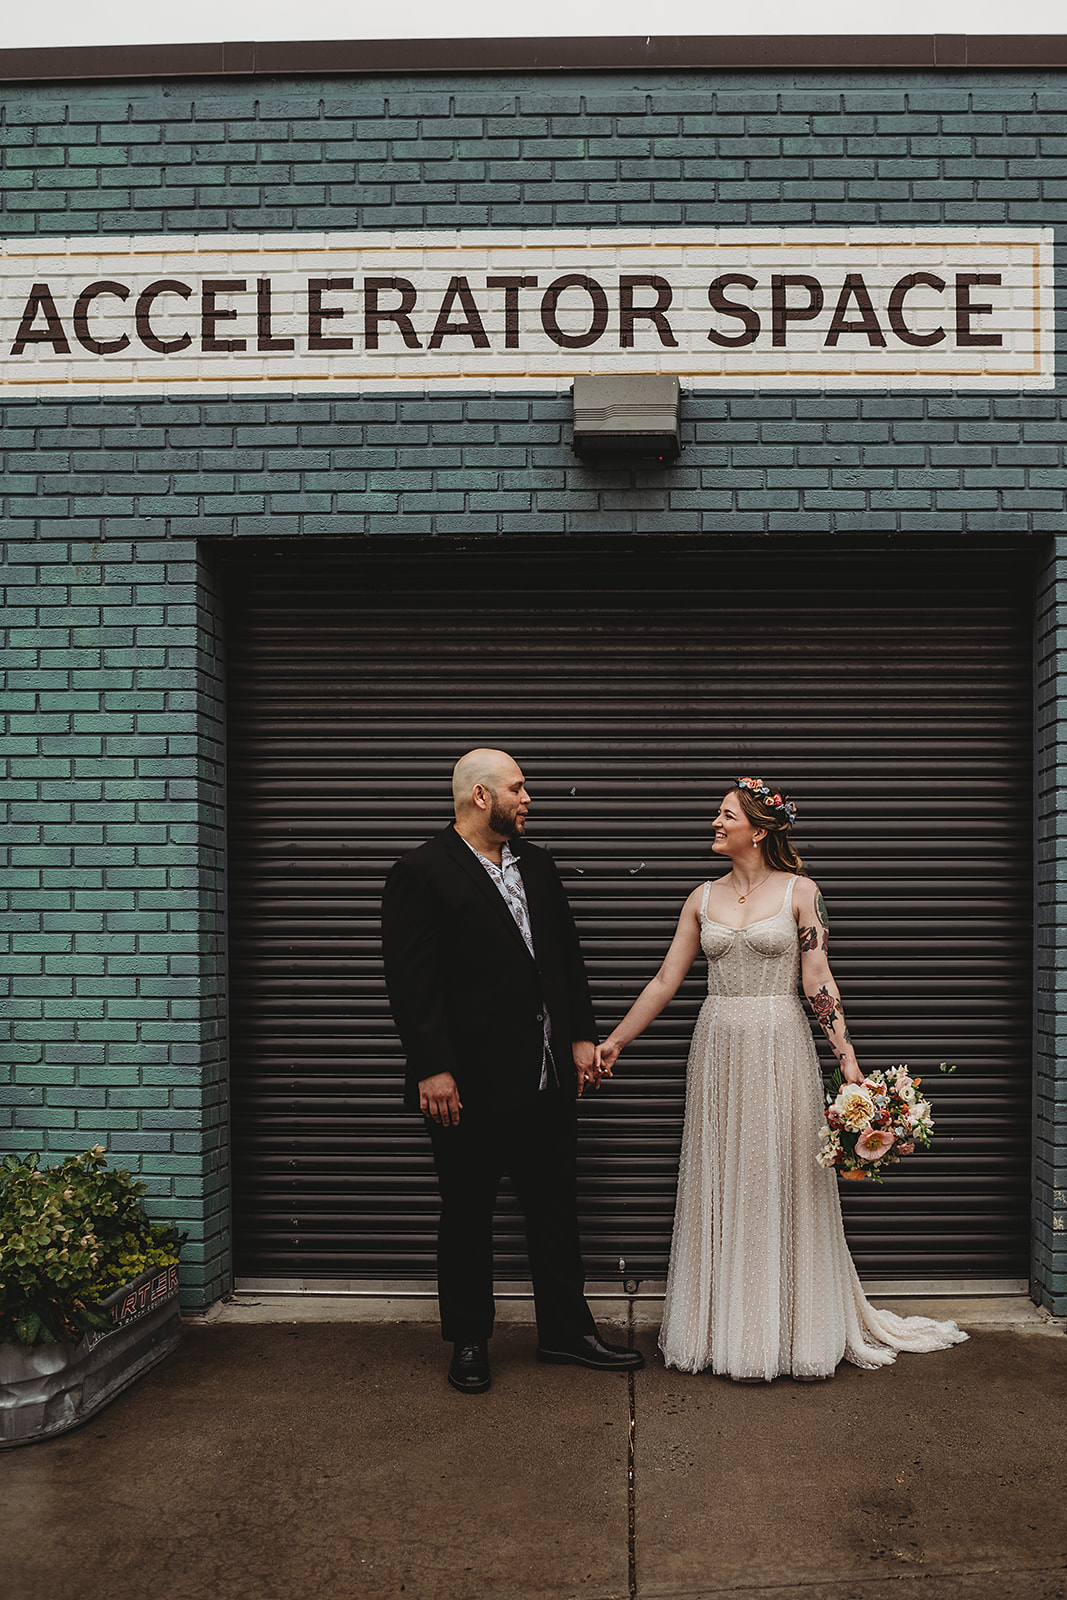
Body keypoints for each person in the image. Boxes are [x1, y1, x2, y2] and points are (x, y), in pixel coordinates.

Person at [595, 777, 966, 1383]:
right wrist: (615, 1041)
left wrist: (847, 1057)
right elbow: (666, 980)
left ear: (759, 830)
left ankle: (790, 1331)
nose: (714, 824)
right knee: (724, 1174)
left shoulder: (801, 891)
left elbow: (818, 979)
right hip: (718, 1045)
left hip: (779, 1043)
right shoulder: (700, 897)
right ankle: (724, 1328)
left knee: (780, 1175)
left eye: (725, 815)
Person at [381, 748, 644, 1394]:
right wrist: (433, 1068)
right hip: (466, 1086)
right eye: (518, 789)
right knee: (466, 1212)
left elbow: (565, 958)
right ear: (480, 796)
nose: (528, 799)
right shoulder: (420, 872)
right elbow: (412, 985)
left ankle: (565, 1332)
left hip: (547, 1076)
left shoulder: (539, 866)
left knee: (555, 1209)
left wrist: (581, 1035)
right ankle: (469, 1341)